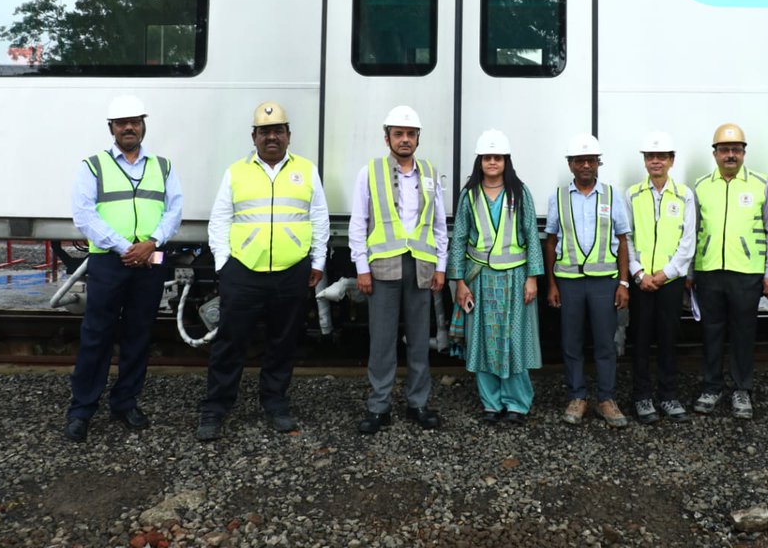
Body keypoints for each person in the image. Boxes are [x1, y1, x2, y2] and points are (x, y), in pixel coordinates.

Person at [195, 102, 329, 441]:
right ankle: (215, 408)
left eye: (278, 131)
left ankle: (275, 403)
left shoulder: (306, 170)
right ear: (253, 136)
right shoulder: (236, 172)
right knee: (230, 342)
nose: (272, 137)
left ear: (288, 135)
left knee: (283, 342)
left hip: (291, 272)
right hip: (243, 271)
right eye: (265, 131)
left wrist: (317, 262)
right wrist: (224, 264)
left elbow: (318, 218)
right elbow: (220, 219)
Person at [64, 94, 183, 442]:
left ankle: (125, 402)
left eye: (134, 122)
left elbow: (174, 211)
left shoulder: (163, 167)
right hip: (109, 261)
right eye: (121, 123)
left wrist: (152, 242)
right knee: (96, 336)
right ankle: (81, 410)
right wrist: (125, 248)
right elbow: (84, 214)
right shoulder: (93, 166)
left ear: (143, 125)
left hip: (149, 261)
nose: (129, 127)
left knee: (138, 335)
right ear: (111, 129)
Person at [349, 105, 447, 433]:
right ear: (387, 137)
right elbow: (359, 222)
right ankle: (379, 407)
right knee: (382, 342)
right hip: (383, 268)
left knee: (419, 341)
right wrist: (362, 268)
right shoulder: (370, 171)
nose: (405, 139)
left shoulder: (430, 173)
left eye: (411, 134)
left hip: (420, 267)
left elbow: (438, 224)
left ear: (418, 138)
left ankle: (418, 403)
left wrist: (441, 267)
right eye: (398, 134)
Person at [447, 130, 544, 425]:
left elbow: (531, 235)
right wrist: (459, 282)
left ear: (506, 161)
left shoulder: (520, 192)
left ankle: (517, 403)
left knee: (514, 341)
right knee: (483, 341)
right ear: (480, 161)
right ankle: (491, 403)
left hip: (515, 277)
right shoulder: (469, 194)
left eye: (497, 157)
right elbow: (459, 238)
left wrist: (532, 278)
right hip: (480, 278)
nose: (492, 162)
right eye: (487, 157)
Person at [690, 123, 768, 420]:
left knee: (744, 333)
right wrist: (691, 272)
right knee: (711, 332)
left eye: (736, 149)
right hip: (709, 272)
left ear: (744, 153)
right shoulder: (701, 186)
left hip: (747, 273)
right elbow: (692, 232)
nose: (730, 155)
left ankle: (742, 389)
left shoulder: (760, 184)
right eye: (724, 150)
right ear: (715, 154)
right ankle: (711, 387)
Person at [545, 134, 632, 428]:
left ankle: (606, 399)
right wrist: (552, 284)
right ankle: (577, 397)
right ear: (570, 164)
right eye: (579, 161)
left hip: (604, 283)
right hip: (569, 282)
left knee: (605, 343)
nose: (585, 165)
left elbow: (622, 241)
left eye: (591, 160)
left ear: (598, 163)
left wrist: (623, 283)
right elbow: (551, 241)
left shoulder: (612, 196)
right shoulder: (558, 197)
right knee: (571, 342)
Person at [625, 131, 697, 424]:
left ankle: (668, 395)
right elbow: (626, 237)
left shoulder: (684, 195)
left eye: (662, 157)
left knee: (669, 339)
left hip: (670, 281)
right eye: (650, 156)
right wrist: (638, 272)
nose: (656, 161)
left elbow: (688, 240)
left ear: (671, 160)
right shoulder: (632, 194)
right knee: (640, 339)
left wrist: (666, 273)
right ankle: (641, 397)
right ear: (644, 161)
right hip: (641, 281)